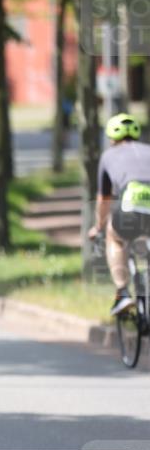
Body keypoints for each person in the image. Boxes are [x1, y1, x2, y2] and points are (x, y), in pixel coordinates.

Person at [86, 113, 150, 315]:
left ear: (112, 137)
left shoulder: (107, 156)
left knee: (115, 236)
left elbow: (104, 199)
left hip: (131, 203)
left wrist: (99, 226)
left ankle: (122, 293)